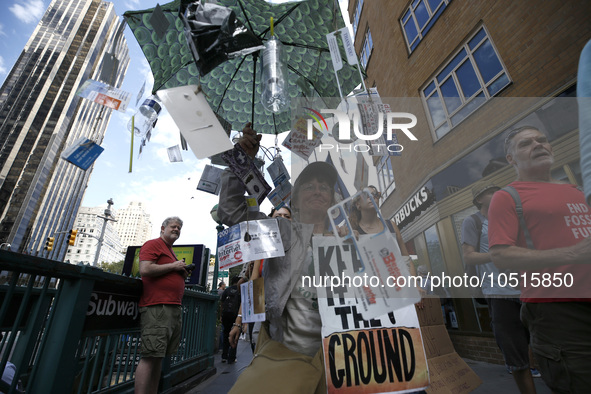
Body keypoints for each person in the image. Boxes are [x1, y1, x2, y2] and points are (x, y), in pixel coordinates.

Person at [219, 123, 336, 390]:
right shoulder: (280, 232)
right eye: (310, 186)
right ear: (295, 197)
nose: (318, 190)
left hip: (337, 361)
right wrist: (241, 160)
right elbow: (229, 210)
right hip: (285, 359)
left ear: (332, 197)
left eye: (324, 187)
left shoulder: (349, 238)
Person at [488, 126, 591, 393]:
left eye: (542, 140)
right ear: (511, 159)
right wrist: (573, 254)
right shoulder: (506, 197)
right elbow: (501, 255)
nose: (537, 145)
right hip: (558, 312)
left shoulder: (577, 190)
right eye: (525, 144)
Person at [462, 182, 538, 393]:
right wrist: (499, 255)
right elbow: (468, 255)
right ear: (479, 199)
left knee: (547, 348)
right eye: (491, 192)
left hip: (529, 291)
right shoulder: (473, 222)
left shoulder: (512, 218)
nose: (497, 194)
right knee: (517, 359)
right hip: (499, 294)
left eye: (499, 191)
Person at [135, 217, 189, 394]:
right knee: (150, 356)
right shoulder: (153, 244)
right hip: (157, 307)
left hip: (172, 307)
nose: (176, 229)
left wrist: (180, 271)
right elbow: (145, 269)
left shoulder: (170, 250)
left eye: (179, 228)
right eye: (173, 226)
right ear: (163, 228)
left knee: (158, 358)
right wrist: (174, 266)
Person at [221, 276, 242, 363]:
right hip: (235, 316)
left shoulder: (227, 290)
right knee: (234, 336)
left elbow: (222, 302)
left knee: (226, 335)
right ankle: (232, 357)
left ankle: (224, 356)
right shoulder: (240, 291)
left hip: (226, 315)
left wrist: (221, 315)